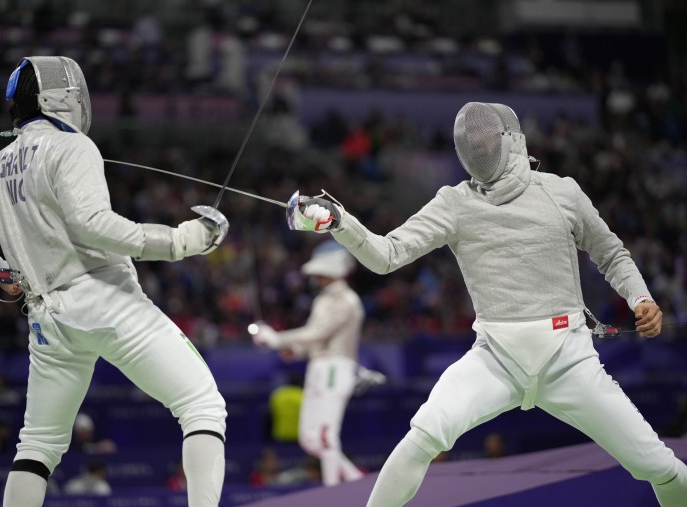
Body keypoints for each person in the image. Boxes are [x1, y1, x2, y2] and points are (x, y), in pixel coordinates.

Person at [292, 102, 687, 506]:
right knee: (424, 433)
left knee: (656, 465)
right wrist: (340, 223)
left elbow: (611, 254)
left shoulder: (561, 191)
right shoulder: (455, 202)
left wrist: (640, 298)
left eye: (483, 137)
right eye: (468, 141)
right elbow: (387, 254)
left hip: (569, 359)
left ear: (511, 139)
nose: (476, 146)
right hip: (495, 358)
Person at [0, 56, 228, 507]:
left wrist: (8, 277)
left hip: (47, 321)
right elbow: (92, 224)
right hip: (104, 300)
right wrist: (179, 241)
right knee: (202, 405)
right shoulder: (73, 146)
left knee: (37, 446)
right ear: (60, 98)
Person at [249, 240, 366, 486]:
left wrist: (277, 339)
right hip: (318, 367)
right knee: (310, 439)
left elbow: (319, 332)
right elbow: (314, 338)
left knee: (325, 434)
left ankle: (334, 492)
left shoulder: (347, 300)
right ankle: (356, 480)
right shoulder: (323, 300)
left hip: (337, 367)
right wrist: (297, 350)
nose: (316, 277)